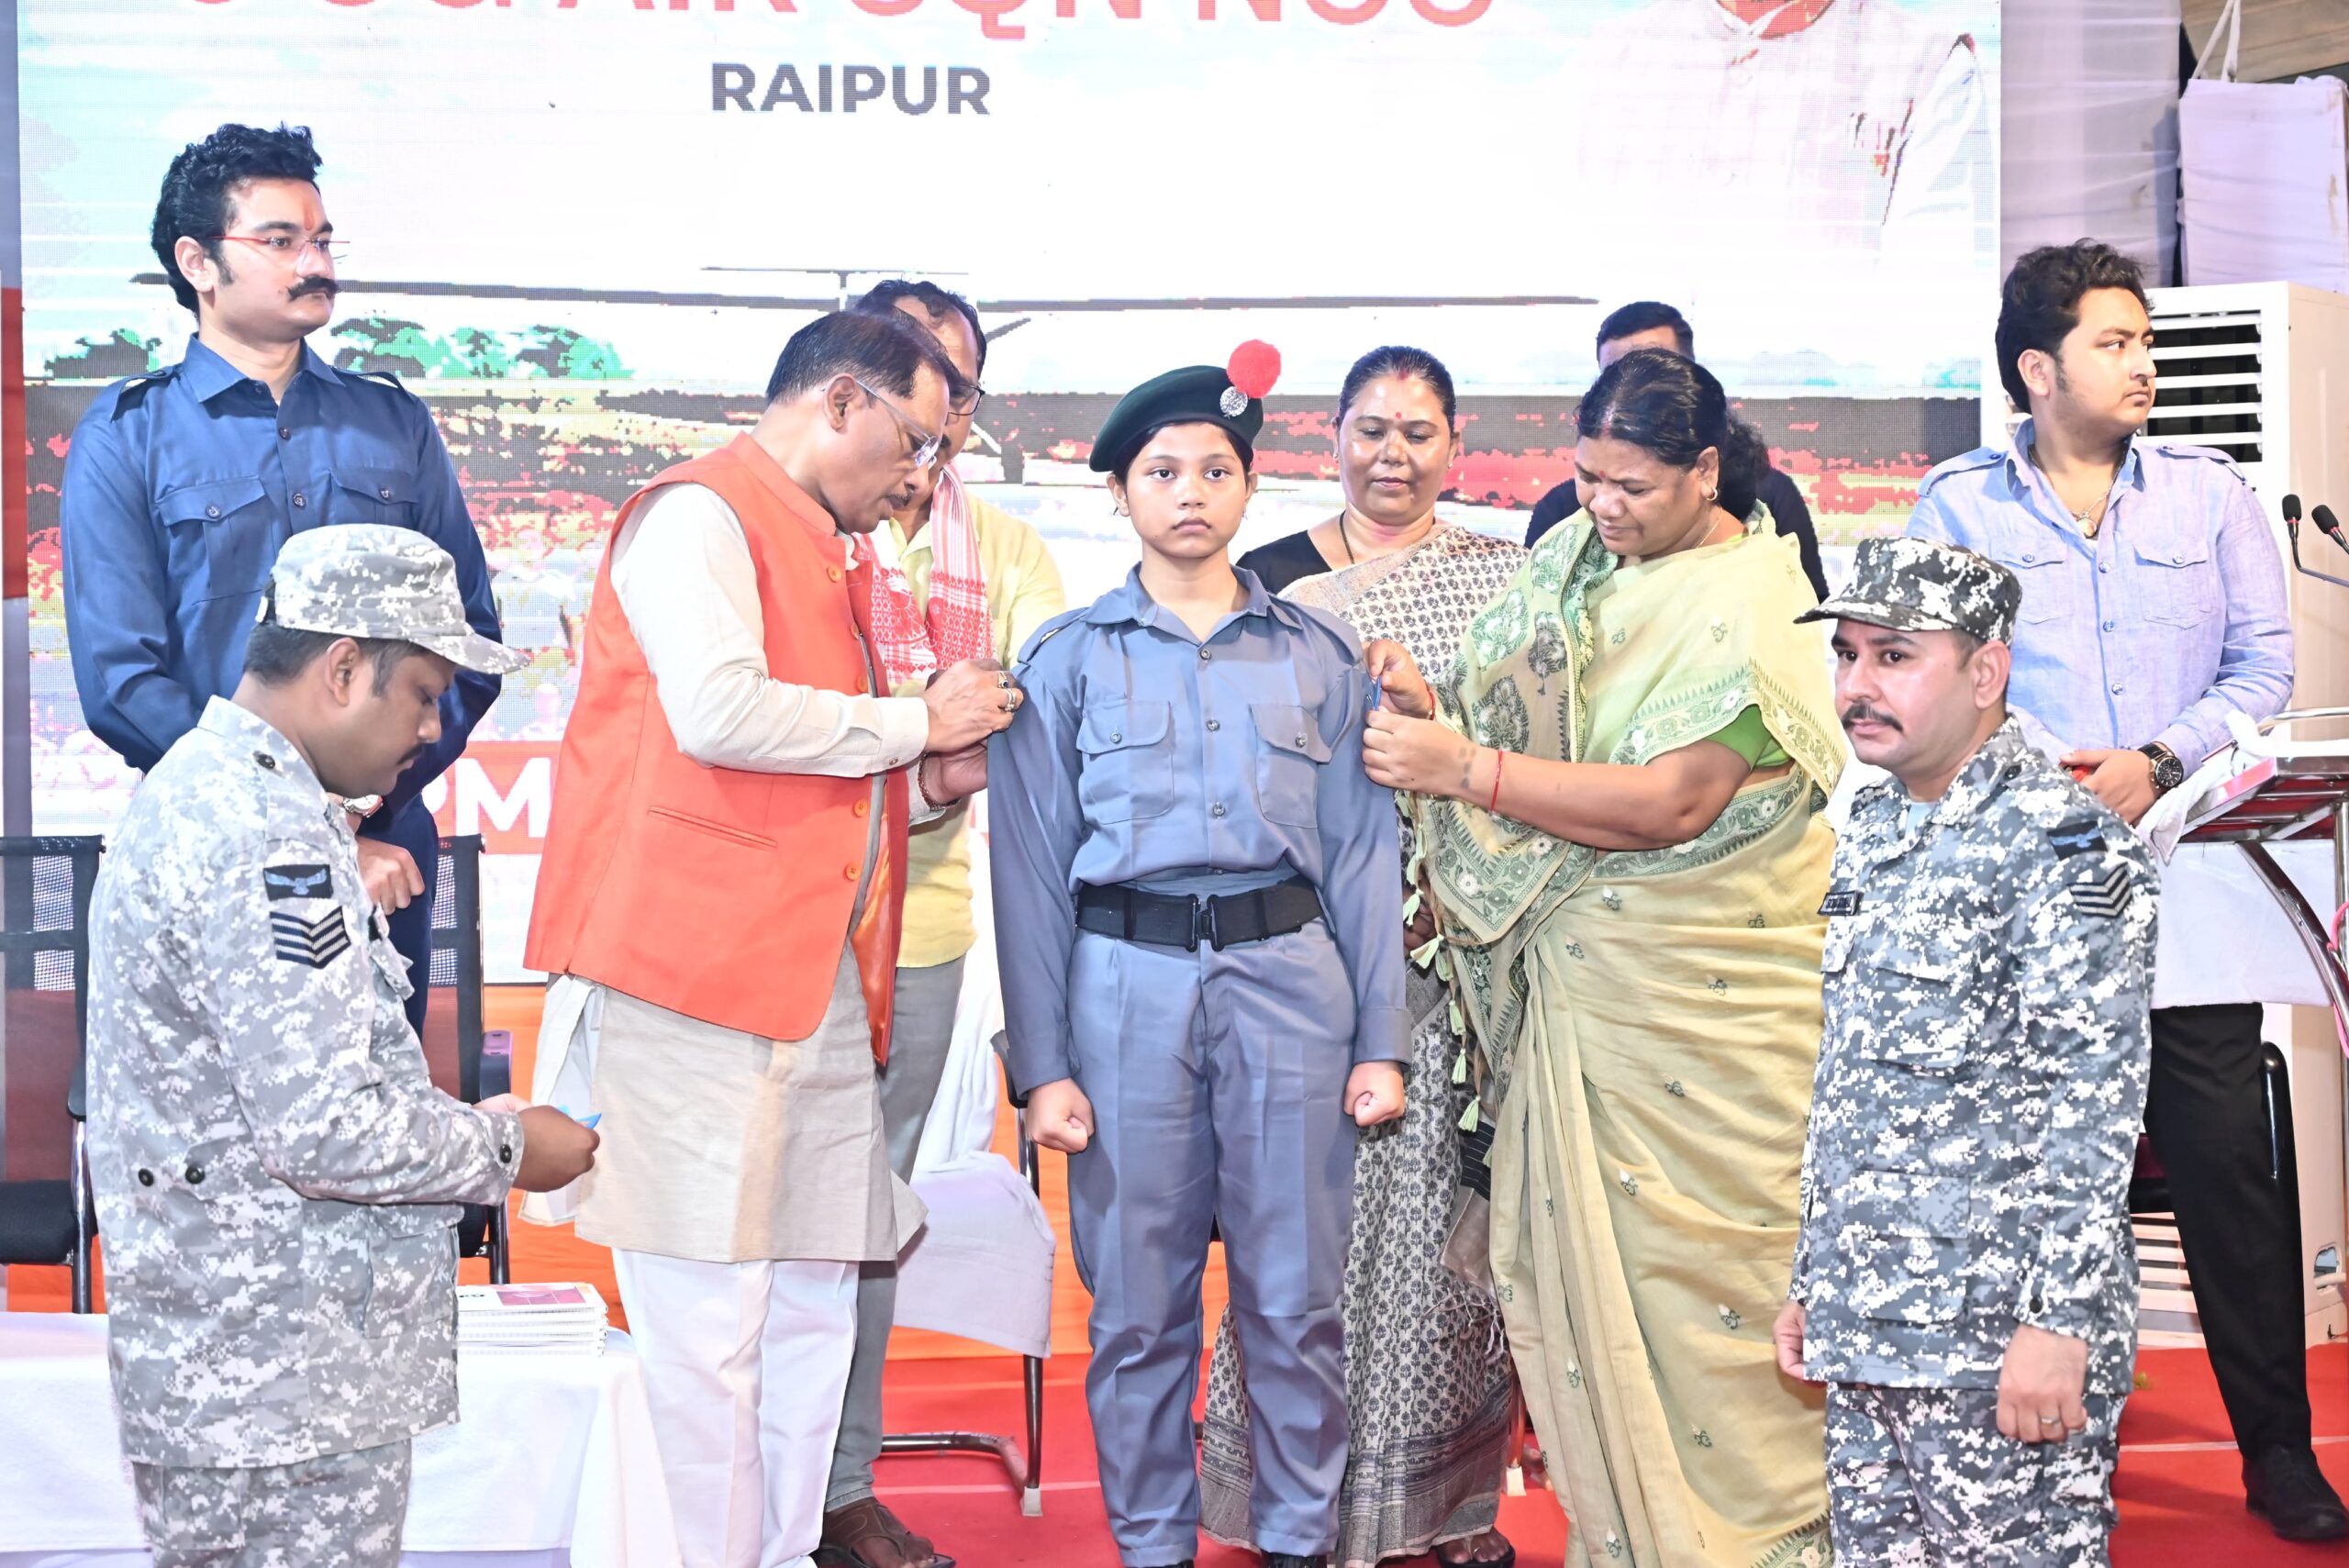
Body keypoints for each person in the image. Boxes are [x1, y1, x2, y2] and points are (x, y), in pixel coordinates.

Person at [521, 311, 1013, 1568]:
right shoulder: (697, 513)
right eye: (916, 442)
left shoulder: (830, 551)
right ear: (841, 401)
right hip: (686, 976)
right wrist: (914, 722)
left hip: (814, 982)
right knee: (708, 1333)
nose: (921, 476)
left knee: (809, 1312)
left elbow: (813, 782)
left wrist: (929, 778)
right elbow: (720, 712)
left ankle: (786, 1551)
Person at [1360, 348, 1842, 1566]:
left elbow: (1677, 802)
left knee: (1718, 1292)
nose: (1602, 505)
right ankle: (1629, 1537)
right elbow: (1527, 724)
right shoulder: (1574, 558)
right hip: (1585, 992)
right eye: (1588, 477)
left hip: (1708, 999)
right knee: (1591, 1291)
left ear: (1706, 471)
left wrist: (1467, 771)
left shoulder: (1753, 602)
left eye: (1633, 485)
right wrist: (1434, 714)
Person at [1904, 239, 2332, 1540]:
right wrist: (2050, 772)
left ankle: (2278, 1452)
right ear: (2038, 370)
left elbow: (2264, 665)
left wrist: (2156, 761)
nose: (2143, 363)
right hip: (2028, 896)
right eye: (2113, 342)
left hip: (2190, 892)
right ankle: (2040, 1454)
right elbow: (1926, 674)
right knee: (2037, 1182)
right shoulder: (1957, 507)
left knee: (2227, 1175)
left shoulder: (2209, 494)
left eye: (2146, 341)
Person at [84, 525, 600, 1568]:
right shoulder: (265, 833)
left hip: (251, 1366)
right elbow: (323, 1130)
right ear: (344, 668)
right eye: (423, 692)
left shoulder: (220, 792)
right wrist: (507, 1150)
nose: (432, 726)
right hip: (280, 1382)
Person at [990, 346, 1409, 1568]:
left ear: (1249, 486)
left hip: (1291, 990)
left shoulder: (1318, 655)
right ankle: (1152, 1545)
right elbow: (1028, 875)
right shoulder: (1066, 661)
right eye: (1162, 471)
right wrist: (1042, 1068)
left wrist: (1379, 1040)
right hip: (1125, 993)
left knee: (1297, 1302)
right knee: (1135, 1313)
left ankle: (1297, 1539)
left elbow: (1362, 860)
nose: (1191, 492)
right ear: (1120, 493)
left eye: (1216, 470)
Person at [61, 124, 506, 1039]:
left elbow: (468, 640)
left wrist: (363, 806)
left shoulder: (392, 423)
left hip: (385, 842)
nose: (315, 263)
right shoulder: (128, 433)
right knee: (213, 1101)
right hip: (207, 844)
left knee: (378, 1096)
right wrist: (299, 821)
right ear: (198, 262)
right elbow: (122, 679)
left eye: (322, 239)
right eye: (280, 240)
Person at [1200, 346, 1522, 1568]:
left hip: (1459, 956)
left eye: (1419, 431)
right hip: (1313, 952)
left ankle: (1447, 1507)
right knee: (1308, 1233)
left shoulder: (1505, 582)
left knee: (1446, 1235)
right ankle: (1301, 1501)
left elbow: (1535, 744)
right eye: (1371, 429)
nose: (1393, 454)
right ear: (1330, 437)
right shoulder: (1271, 583)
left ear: (1456, 445)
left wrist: (1437, 716)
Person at [1776, 535, 2157, 1562]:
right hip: (1874, 1321)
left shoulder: (2063, 843)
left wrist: (2059, 1323)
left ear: (1986, 672)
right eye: (1846, 654)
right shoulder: (1875, 826)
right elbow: (1853, 1082)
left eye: (1894, 655)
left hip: (1995, 1340)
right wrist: (1819, 1277)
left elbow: (2095, 1100)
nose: (1856, 684)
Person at [821, 280, 1066, 1568]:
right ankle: (752, 1478)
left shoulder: (1009, 551)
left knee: (865, 1223)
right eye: (912, 377)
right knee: (762, 1225)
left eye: (955, 389)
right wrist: (928, 713)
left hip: (918, 929)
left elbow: (1020, 713)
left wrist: (919, 724)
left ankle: (839, 1486)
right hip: (779, 921)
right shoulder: (798, 530)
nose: (935, 414)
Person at [1523, 302, 1827, 600]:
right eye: (1617, 375)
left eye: (1635, 489)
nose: (1606, 507)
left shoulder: (1768, 507)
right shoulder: (1563, 518)